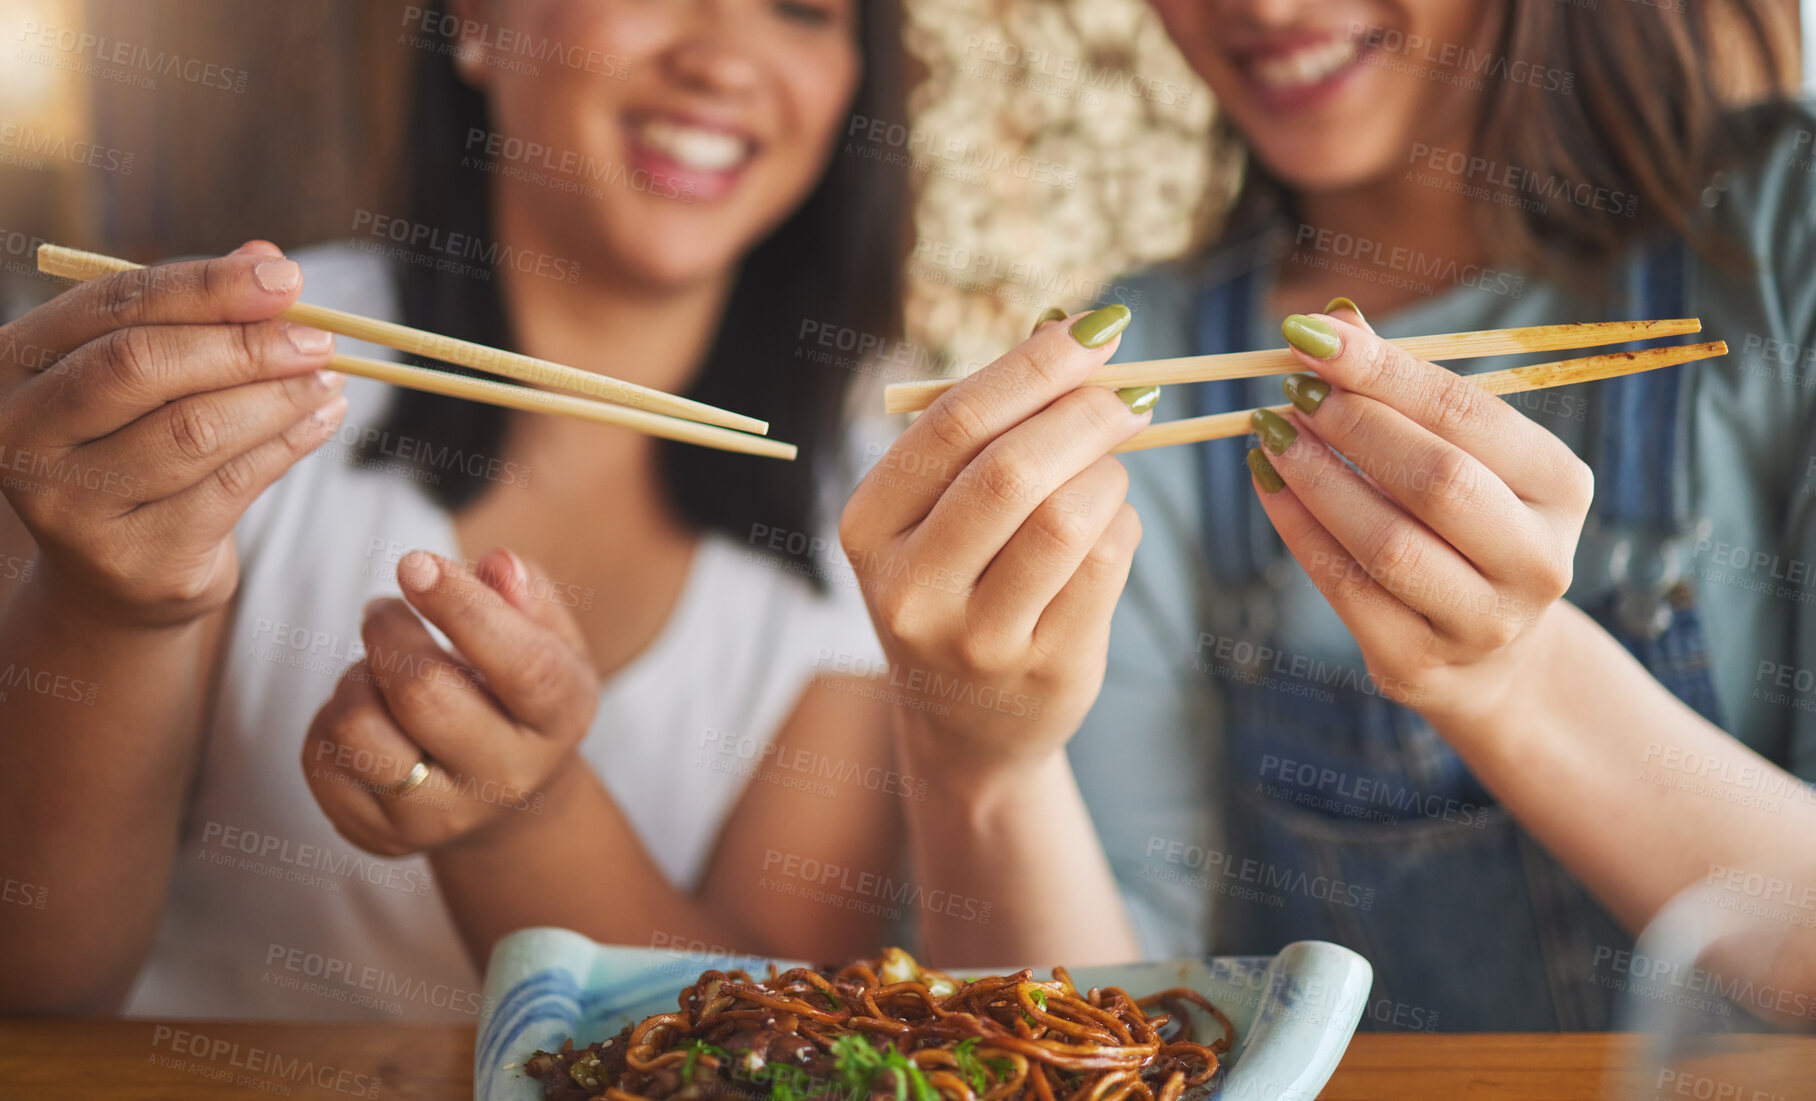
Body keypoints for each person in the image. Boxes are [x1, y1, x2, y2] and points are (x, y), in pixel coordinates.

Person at [0, 0, 919, 1016]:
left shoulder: (883, 518)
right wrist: (103, 611)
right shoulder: (242, 377)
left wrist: (524, 823)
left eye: (801, 9)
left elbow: (782, 1039)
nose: (722, 61)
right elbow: (30, 996)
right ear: (478, 23)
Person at [1060, 0, 1816, 1029]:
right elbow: (1114, 1017)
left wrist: (1513, 678)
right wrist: (975, 757)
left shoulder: (1782, 231)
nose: (1266, 10)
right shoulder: (1136, 371)